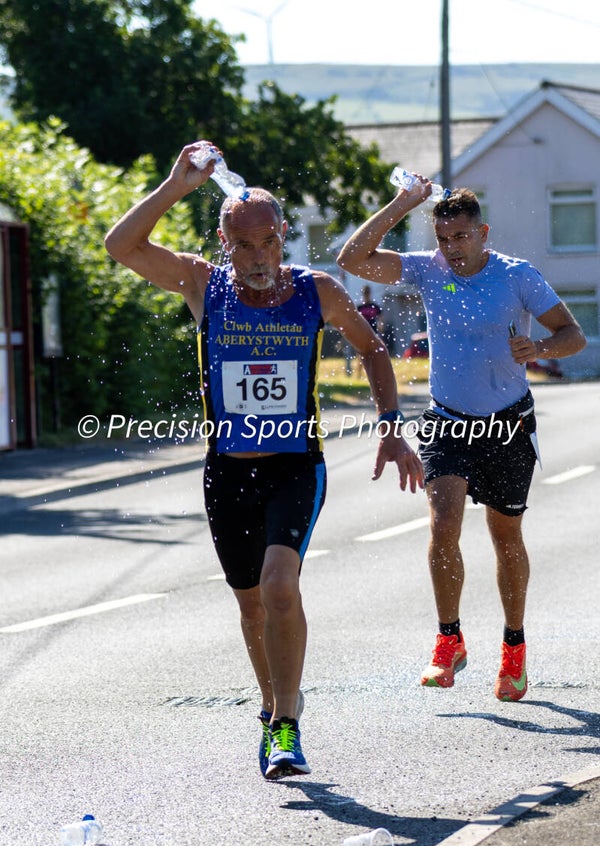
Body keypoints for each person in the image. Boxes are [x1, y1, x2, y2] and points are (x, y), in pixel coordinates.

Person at [104, 142, 424, 779]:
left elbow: (375, 351)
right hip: (227, 471)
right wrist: (175, 187)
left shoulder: (317, 290)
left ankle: (285, 722)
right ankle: (272, 704)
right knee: (250, 603)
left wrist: (391, 427)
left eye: (268, 243)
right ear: (226, 244)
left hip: (294, 466)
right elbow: (122, 246)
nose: (257, 259)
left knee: (281, 586)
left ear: (284, 238)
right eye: (243, 246)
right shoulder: (203, 283)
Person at [337, 180, 586, 702]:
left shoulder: (518, 276)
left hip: (508, 423)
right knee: (443, 521)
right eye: (444, 237)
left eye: (462, 236)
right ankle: (448, 640)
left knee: (505, 536)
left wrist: (538, 346)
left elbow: (573, 335)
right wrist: (402, 204)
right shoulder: (428, 268)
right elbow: (352, 258)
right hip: (447, 419)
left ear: (483, 233)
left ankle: (514, 651)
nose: (452, 247)